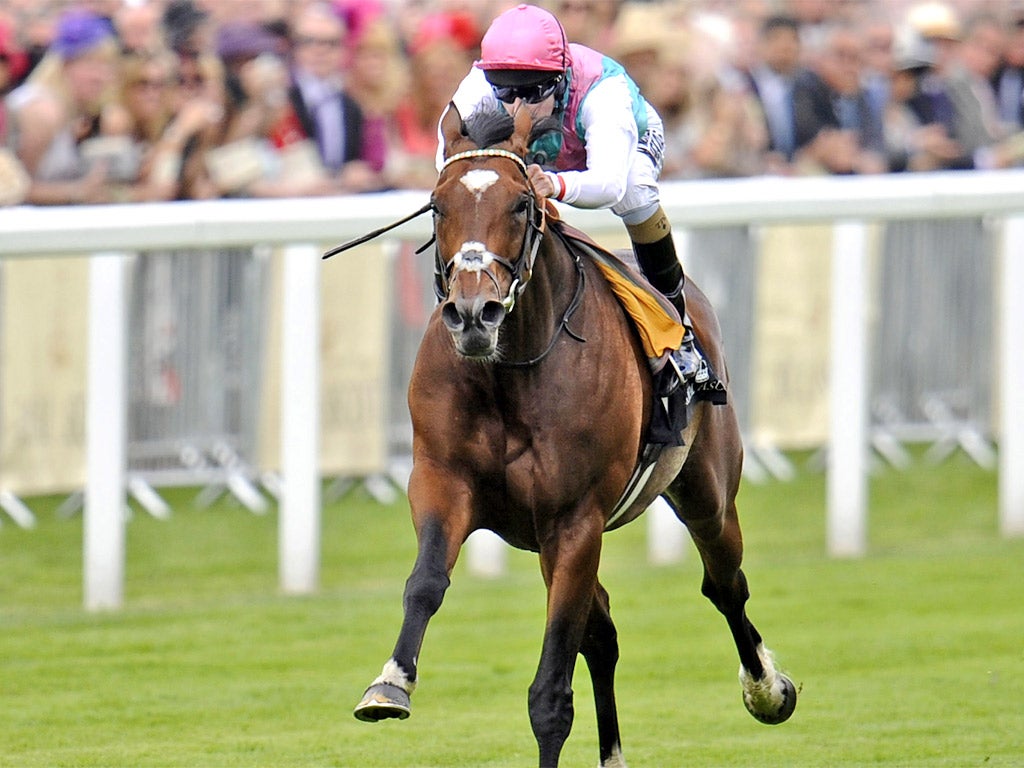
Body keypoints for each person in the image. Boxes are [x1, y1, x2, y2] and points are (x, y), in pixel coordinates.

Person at [438, 3, 703, 384]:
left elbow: (608, 185)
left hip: (620, 144)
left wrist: (556, 184)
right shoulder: (480, 83)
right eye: (505, 90)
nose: (514, 105)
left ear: (558, 79)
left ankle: (680, 331)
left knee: (636, 196)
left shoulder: (605, 95)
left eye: (530, 93)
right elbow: (446, 158)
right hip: (545, 146)